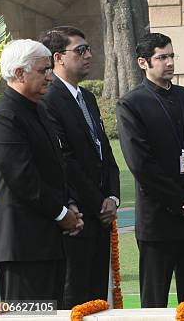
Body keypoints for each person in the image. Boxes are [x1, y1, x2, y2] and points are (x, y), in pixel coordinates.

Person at [116, 33, 184, 307]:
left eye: (171, 56)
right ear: (143, 62)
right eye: (162, 57)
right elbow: (141, 164)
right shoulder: (131, 104)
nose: (169, 62)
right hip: (158, 221)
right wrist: (181, 202)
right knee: (154, 302)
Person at [0, 39, 82, 305]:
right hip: (22, 245)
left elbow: (57, 166)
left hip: (47, 239)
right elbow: (23, 179)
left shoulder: (36, 109)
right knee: (28, 316)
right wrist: (63, 214)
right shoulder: (5, 117)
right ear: (19, 73)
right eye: (43, 70)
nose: (50, 77)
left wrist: (70, 204)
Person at [39, 26, 120, 308]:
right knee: (75, 299)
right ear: (58, 58)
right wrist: (99, 202)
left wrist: (113, 196)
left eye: (88, 49)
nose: (89, 55)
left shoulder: (87, 98)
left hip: (101, 215)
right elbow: (67, 160)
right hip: (77, 216)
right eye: (81, 50)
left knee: (97, 299)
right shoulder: (49, 99)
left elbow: (104, 152)